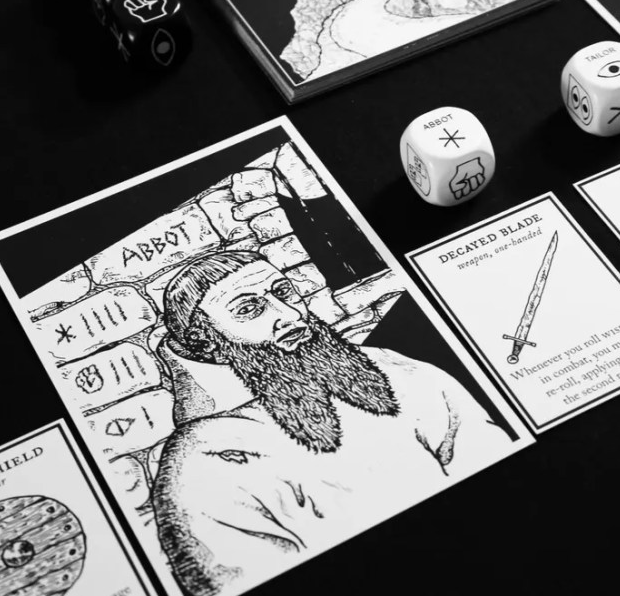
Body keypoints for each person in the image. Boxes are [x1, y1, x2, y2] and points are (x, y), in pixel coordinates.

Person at [150, 250, 509, 596]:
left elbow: (488, 460)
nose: (290, 315)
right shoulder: (204, 455)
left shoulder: (394, 369)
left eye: (283, 292)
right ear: (206, 342)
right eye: (248, 309)